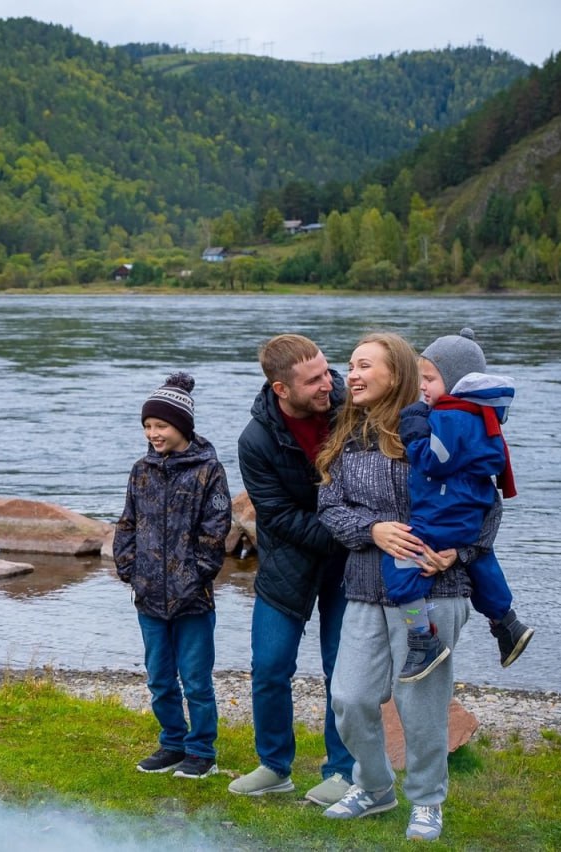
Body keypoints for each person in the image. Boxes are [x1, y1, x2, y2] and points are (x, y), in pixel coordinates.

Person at [315, 331, 502, 843]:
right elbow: (330, 510)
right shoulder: (346, 437)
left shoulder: (437, 429)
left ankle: (427, 801)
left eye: (363, 366)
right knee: (349, 698)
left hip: (433, 592)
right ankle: (374, 788)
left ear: (395, 374)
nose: (350, 374)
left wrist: (458, 553)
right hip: (363, 590)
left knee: (420, 707)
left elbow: (487, 506)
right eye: (350, 365)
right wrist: (371, 530)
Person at [226, 335, 355, 807]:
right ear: (281, 389)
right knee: (270, 667)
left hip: (350, 565)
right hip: (288, 560)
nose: (329, 383)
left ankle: (343, 771)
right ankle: (274, 767)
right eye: (314, 379)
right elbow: (276, 516)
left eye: (327, 371)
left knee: (341, 671)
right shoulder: (255, 439)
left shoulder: (350, 408)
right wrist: (349, 530)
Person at [387, 328, 534, 682]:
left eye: (430, 379)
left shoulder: (450, 417)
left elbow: (431, 461)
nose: (422, 386)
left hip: (442, 511)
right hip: (469, 507)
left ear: (454, 380)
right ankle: (506, 622)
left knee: (399, 565)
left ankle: (423, 640)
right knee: (481, 560)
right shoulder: (481, 416)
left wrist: (413, 425)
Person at [113, 372, 232, 780]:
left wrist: (196, 576)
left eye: (160, 425)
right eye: (147, 426)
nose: (153, 433)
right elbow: (127, 522)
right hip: (148, 596)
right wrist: (128, 569)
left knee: (196, 681)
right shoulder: (140, 471)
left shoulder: (209, 471)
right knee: (160, 679)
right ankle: (172, 742)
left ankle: (201, 750)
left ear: (181, 426)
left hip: (193, 599)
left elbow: (216, 531)